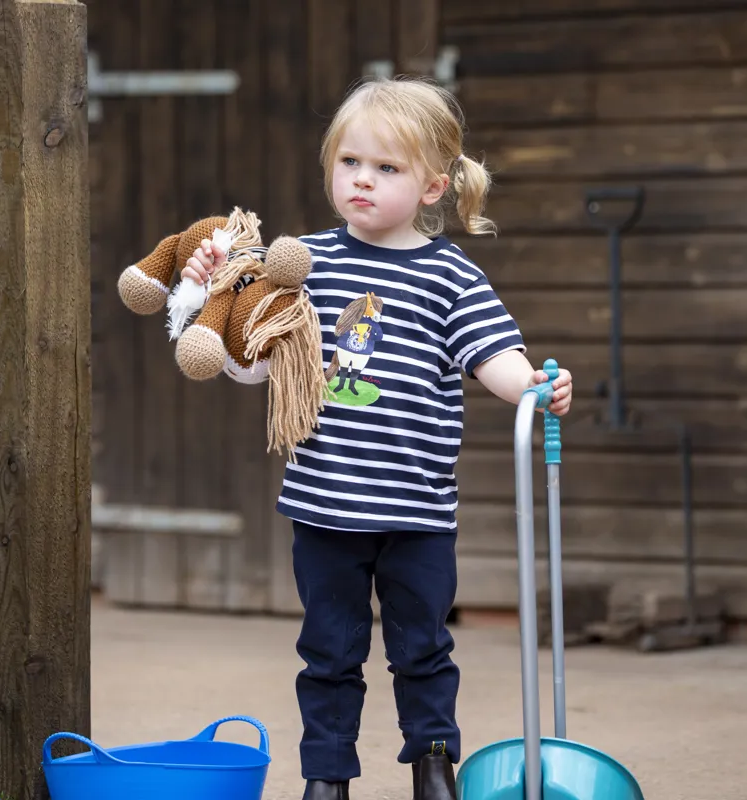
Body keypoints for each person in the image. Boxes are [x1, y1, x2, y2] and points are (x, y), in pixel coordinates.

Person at [182, 76, 573, 800]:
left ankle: (432, 762)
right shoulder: (303, 264)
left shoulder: (450, 277)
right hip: (325, 509)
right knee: (328, 651)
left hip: (417, 514)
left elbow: (494, 358)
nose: (362, 180)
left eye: (386, 169)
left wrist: (535, 388)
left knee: (422, 647)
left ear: (431, 187)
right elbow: (254, 366)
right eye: (350, 163)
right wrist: (218, 307)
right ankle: (326, 775)